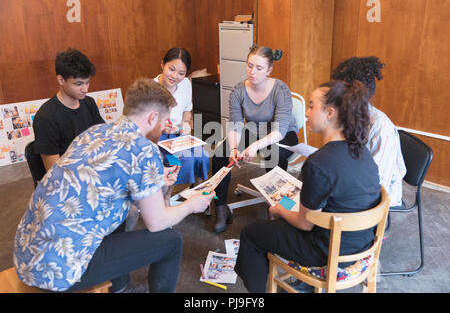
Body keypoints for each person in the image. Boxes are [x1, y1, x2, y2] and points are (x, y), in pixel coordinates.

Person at [13, 78, 215, 293]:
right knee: (171, 241)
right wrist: (192, 205)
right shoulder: (145, 150)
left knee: (119, 213)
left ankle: (120, 287)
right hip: (59, 271)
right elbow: (157, 222)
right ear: (153, 117)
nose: (166, 126)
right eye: (164, 120)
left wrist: (155, 179)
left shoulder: (94, 132)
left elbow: (108, 179)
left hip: (27, 254)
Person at [234, 80, 381, 293]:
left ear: (330, 113)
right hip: (362, 246)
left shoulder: (319, 163)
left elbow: (305, 224)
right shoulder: (363, 153)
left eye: (312, 106)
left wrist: (279, 210)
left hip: (326, 252)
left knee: (251, 234)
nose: (307, 113)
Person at [211, 46, 299, 233]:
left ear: (269, 70)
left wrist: (254, 147)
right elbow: (235, 124)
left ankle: (278, 209)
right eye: (250, 66)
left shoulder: (280, 89)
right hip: (253, 130)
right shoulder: (238, 91)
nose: (252, 72)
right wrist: (234, 148)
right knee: (220, 154)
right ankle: (220, 208)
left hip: (281, 133)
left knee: (275, 155)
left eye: (259, 68)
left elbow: (280, 131)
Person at [331, 56, 406, 207]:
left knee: (317, 202)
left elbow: (377, 181)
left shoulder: (381, 128)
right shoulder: (349, 115)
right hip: (354, 179)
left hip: (376, 194)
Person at [33, 48, 105, 171]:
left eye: (87, 82)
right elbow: (53, 171)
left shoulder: (89, 103)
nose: (85, 89)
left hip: (92, 168)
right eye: (78, 84)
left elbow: (103, 138)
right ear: (61, 80)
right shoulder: (46, 118)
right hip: (68, 178)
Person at [154, 47, 210, 205]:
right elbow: (145, 126)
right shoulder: (151, 89)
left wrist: (186, 124)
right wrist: (163, 128)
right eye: (171, 69)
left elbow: (187, 109)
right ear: (162, 64)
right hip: (157, 140)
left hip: (178, 135)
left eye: (181, 73)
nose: (174, 76)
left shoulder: (185, 84)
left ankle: (197, 191)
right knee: (184, 159)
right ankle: (166, 196)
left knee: (202, 155)